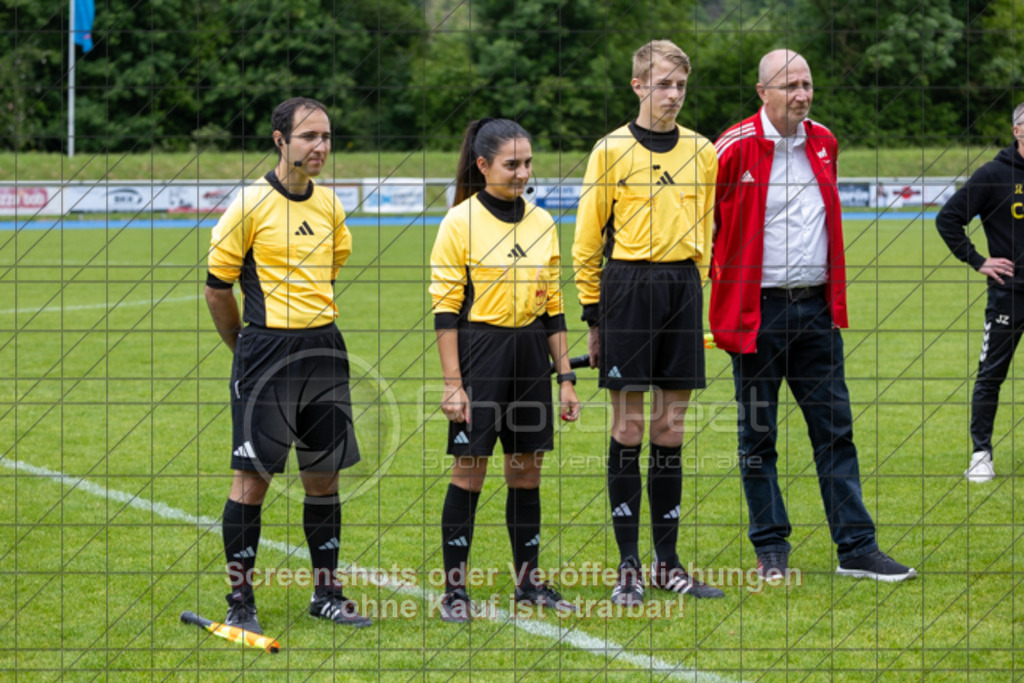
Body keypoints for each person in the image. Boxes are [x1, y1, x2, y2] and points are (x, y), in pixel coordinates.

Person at [709, 49, 917, 582]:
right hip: (759, 314)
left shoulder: (824, 141)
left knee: (835, 432)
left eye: (807, 84)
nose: (802, 94)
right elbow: (702, 230)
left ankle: (857, 547)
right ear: (763, 93)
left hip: (817, 312)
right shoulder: (729, 150)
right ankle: (771, 547)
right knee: (758, 437)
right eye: (790, 86)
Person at [205, 96, 372, 634]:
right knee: (251, 482)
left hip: (323, 350)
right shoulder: (249, 205)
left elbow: (330, 267)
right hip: (265, 354)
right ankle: (239, 600)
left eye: (326, 137)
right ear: (280, 140)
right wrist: (245, 349)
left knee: (322, 479)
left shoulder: (328, 206)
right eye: (308, 137)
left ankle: (326, 594)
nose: (321, 147)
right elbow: (216, 289)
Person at [572, 39, 724, 604]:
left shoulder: (701, 150)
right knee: (629, 428)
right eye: (663, 84)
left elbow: (707, 227)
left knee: (671, 430)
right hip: (627, 287)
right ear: (638, 85)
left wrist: (697, 285)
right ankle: (629, 567)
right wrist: (593, 312)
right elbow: (587, 242)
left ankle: (668, 563)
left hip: (681, 288)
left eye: (681, 85)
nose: (674, 95)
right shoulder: (609, 150)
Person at [430, 118, 582, 622]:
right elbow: (446, 312)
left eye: (527, 163)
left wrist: (565, 378)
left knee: (526, 472)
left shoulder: (542, 222)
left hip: (530, 357)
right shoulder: (460, 222)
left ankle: (529, 582)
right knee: (469, 472)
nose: (522, 173)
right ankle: (455, 591)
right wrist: (454, 386)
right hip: (480, 355)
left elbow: (553, 309)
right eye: (511, 164)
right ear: (483, 165)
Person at [936, 101, 1024, 483]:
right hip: (1010, 294)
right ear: (1018, 130)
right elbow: (948, 219)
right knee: (991, 374)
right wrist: (978, 260)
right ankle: (980, 454)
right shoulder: (994, 175)